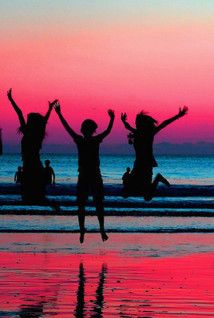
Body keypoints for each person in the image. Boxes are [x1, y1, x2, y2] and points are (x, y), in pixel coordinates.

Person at [54, 102, 115, 243]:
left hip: (86, 175)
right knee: (97, 204)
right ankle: (100, 230)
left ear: (83, 130)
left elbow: (67, 128)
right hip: (93, 175)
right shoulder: (94, 140)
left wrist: (59, 114)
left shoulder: (82, 140)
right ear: (92, 130)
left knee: (83, 205)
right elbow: (107, 131)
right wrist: (112, 119)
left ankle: (84, 230)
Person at [121, 107, 188, 200]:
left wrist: (177, 116)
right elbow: (128, 129)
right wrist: (124, 123)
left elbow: (164, 124)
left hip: (147, 164)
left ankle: (158, 178)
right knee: (127, 192)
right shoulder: (137, 133)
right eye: (135, 122)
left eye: (137, 122)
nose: (135, 123)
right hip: (138, 163)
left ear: (142, 123)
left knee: (146, 196)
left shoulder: (148, 133)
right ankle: (156, 179)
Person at [7, 89, 58, 209]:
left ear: (32, 123)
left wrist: (11, 99)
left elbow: (19, 113)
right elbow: (44, 120)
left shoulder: (29, 133)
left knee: (30, 195)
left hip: (31, 165)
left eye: (29, 119)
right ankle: (52, 205)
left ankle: (52, 205)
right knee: (34, 195)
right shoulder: (38, 134)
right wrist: (50, 108)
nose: (27, 120)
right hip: (32, 164)